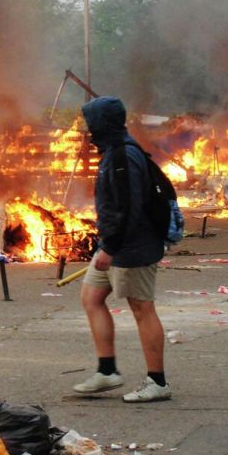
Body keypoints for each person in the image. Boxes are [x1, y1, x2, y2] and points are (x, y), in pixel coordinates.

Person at [72, 96, 172, 402]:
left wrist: (111, 248)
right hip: (115, 243)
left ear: (103, 123)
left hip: (131, 247)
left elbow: (129, 206)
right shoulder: (113, 151)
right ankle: (106, 371)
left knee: (142, 309)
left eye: (91, 123)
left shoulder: (122, 156)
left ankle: (158, 382)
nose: (88, 131)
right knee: (91, 297)